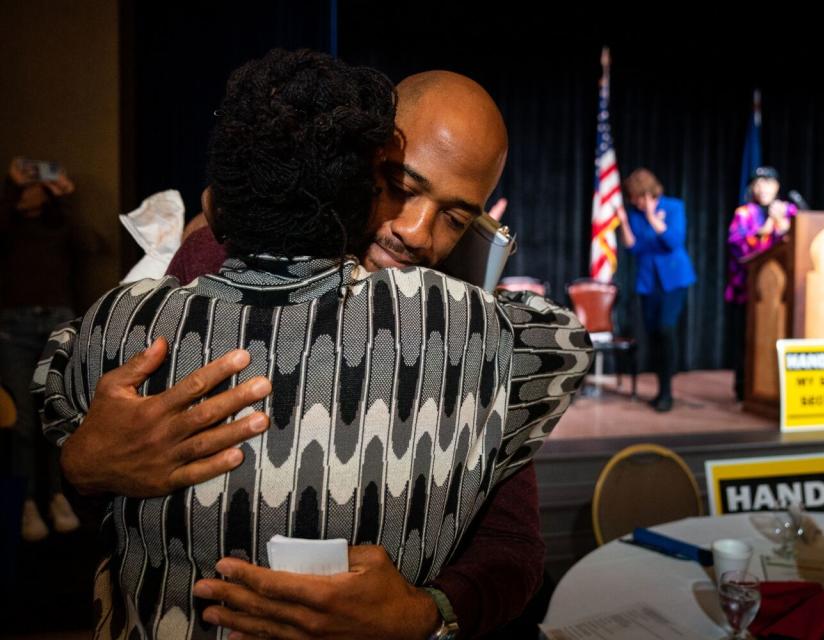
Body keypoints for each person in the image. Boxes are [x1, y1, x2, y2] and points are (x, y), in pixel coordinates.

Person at [36, 50, 591, 639]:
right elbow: (125, 475)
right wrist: (83, 462)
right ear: (358, 161)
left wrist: (424, 612)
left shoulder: (465, 324)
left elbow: (513, 547)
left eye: (455, 218)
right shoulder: (214, 263)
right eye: (399, 187)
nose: (416, 232)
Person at [0, 157, 89, 541]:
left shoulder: (58, 225)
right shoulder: (7, 224)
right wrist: (11, 195)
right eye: (28, 181)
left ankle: (56, 496)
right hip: (13, 327)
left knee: (55, 412)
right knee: (20, 422)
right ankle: (27, 503)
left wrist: (66, 199)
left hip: (57, 321)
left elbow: (88, 245)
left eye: (41, 180)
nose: (35, 186)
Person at [616, 169, 695, 412]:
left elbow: (673, 241)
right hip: (649, 282)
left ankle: (667, 393)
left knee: (666, 329)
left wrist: (652, 217)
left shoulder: (673, 207)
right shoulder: (635, 214)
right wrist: (625, 223)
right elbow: (633, 248)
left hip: (673, 280)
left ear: (649, 193)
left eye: (639, 197)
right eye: (633, 199)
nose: (636, 202)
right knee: (654, 335)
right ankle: (661, 388)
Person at [725, 166, 796, 401]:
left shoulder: (789, 211)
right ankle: (744, 389)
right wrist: (765, 229)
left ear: (776, 186)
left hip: (784, 293)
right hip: (747, 290)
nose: (761, 188)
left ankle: (778, 387)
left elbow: (802, 241)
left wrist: (783, 225)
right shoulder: (744, 213)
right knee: (746, 340)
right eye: (757, 183)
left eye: (767, 183)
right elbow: (738, 246)